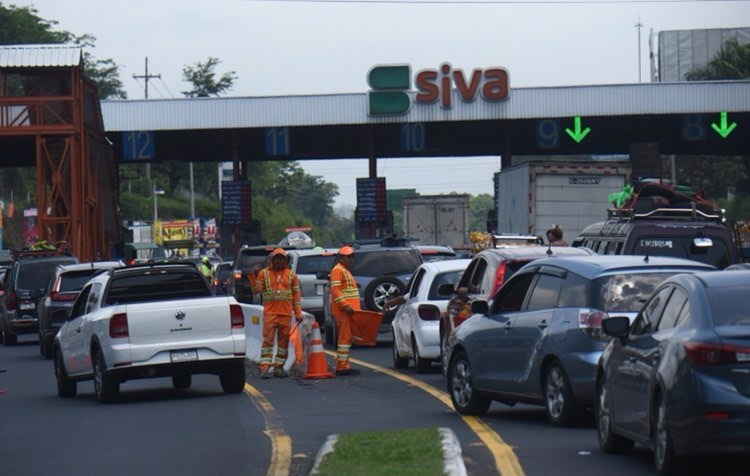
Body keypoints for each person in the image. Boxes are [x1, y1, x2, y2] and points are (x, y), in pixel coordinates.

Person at [249, 248, 302, 379]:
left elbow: (296, 296)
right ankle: (264, 368)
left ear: (286, 260)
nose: (279, 261)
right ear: (272, 260)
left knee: (283, 344)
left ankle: (278, 367)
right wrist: (252, 276)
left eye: (282, 258)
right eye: (277, 258)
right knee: (268, 342)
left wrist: (298, 313)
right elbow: (256, 290)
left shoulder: (291, 275)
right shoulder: (263, 273)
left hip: (285, 315)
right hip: (270, 314)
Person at [329, 246, 361, 376]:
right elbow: (335, 290)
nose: (351, 259)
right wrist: (345, 304)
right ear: (341, 257)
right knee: (344, 338)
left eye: (352, 257)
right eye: (348, 257)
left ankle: (344, 364)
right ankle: (342, 366)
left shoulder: (344, 270)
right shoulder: (338, 270)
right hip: (344, 311)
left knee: (347, 339)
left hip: (349, 311)